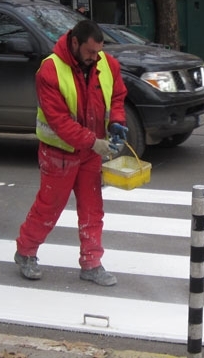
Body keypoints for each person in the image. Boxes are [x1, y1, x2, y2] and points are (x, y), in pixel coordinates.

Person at [14, 19, 128, 286]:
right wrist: (93, 141)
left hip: (88, 152)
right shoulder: (50, 71)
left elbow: (117, 97)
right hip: (59, 153)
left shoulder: (107, 64)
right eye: (90, 52)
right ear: (75, 43)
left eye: (98, 52)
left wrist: (117, 122)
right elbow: (59, 121)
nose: (94, 58)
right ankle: (25, 252)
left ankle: (92, 263)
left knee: (92, 208)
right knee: (49, 206)